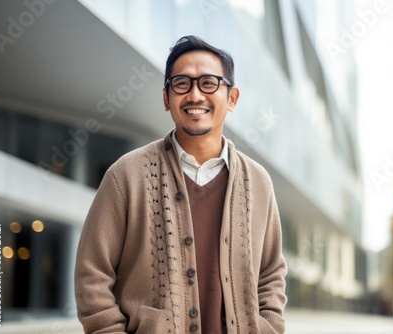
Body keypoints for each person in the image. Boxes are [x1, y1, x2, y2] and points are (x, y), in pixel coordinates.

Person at [74, 35, 287, 334]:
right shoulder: (126, 175)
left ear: (232, 98)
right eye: (182, 84)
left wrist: (267, 327)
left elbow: (271, 273)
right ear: (166, 98)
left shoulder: (259, 183)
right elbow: (92, 274)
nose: (195, 95)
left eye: (209, 83)